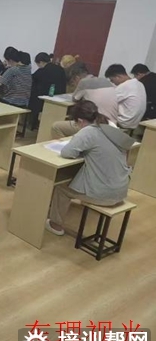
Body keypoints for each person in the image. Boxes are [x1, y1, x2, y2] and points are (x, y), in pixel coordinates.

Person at [45, 100, 134, 236]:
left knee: (61, 188)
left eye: (76, 123)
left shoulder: (88, 131)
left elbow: (67, 152)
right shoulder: (109, 128)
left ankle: (55, 225)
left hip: (105, 194)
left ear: (80, 121)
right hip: (121, 189)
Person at [51, 62, 117, 139]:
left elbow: (74, 98)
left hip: (96, 126)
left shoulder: (84, 82)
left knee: (56, 126)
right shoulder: (105, 81)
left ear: (76, 78)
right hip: (112, 125)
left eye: (73, 83)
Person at [29, 52, 67, 130]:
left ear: (41, 62)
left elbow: (33, 78)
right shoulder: (60, 69)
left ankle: (34, 123)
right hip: (59, 96)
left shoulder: (43, 70)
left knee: (34, 97)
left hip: (44, 97)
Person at [105, 64, 147, 129]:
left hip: (123, 122)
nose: (112, 83)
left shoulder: (125, 86)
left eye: (112, 80)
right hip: (134, 123)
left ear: (118, 76)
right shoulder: (140, 84)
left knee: (99, 111)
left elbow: (107, 101)